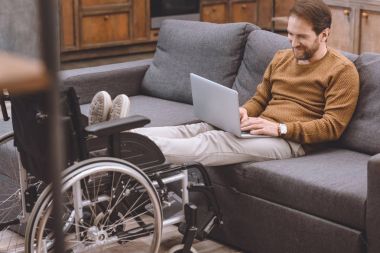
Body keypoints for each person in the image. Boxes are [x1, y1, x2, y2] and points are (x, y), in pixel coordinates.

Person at [89, 0, 359, 166]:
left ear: (324, 34)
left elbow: (332, 127)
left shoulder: (342, 72)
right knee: (193, 130)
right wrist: (244, 112)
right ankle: (107, 137)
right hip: (258, 126)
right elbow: (260, 99)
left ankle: (115, 151)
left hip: (290, 142)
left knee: (210, 142)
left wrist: (280, 128)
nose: (293, 42)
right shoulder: (281, 58)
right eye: (289, 34)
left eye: (301, 37)